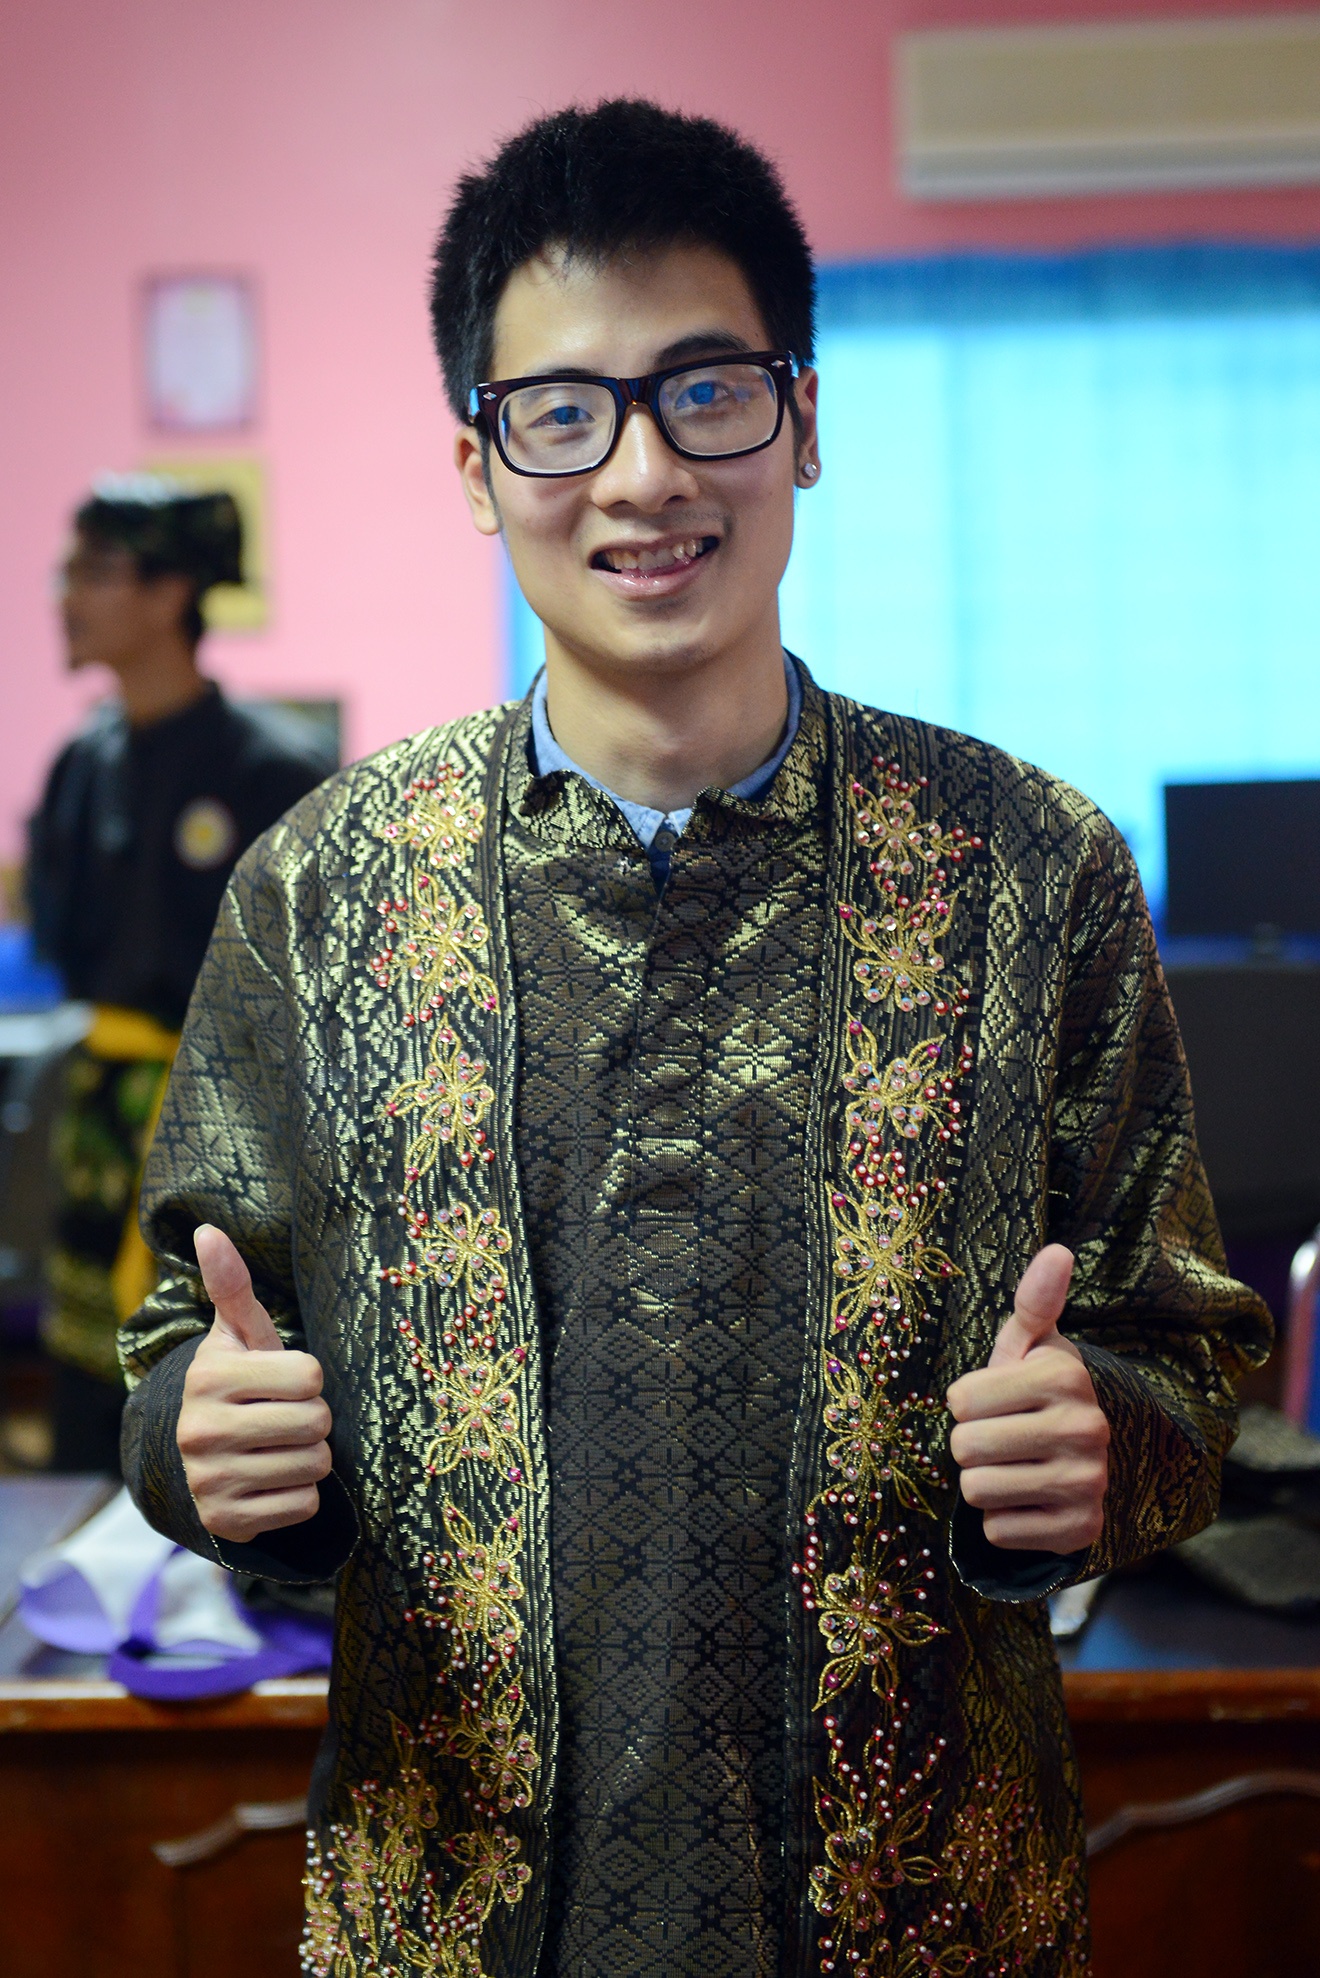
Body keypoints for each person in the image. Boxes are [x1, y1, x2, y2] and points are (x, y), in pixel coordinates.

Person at [119, 103, 1270, 1978]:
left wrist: (1106, 1446)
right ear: (480, 466)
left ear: (803, 422)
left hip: (923, 1918)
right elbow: (184, 1343)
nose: (642, 473)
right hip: (459, 1908)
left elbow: (1185, 1348)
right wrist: (207, 1443)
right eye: (562, 412)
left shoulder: (1030, 868)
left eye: (707, 392)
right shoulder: (322, 892)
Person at [27, 476, 331, 1474]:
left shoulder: (274, 766)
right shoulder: (82, 763)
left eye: (94, 571)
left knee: (216, 1371)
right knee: (87, 1382)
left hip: (232, 1121)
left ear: (170, 593)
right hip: (106, 1110)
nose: (66, 595)